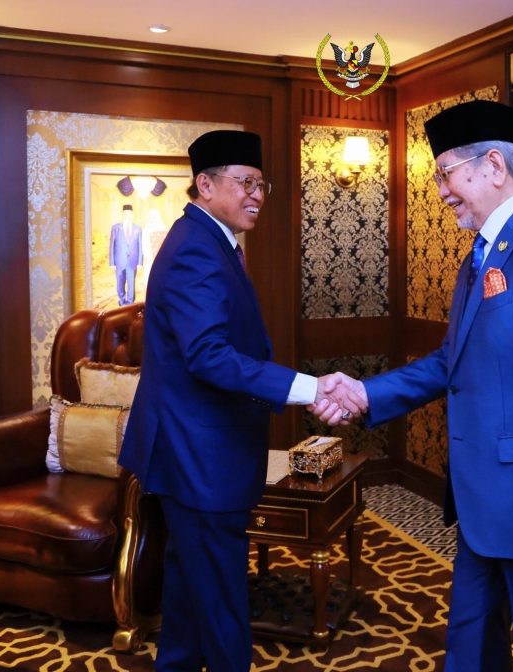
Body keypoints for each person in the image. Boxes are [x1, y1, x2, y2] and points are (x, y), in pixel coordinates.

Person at [314, 100, 513, 671]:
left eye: (445, 174)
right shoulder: (481, 256)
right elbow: (450, 363)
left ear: (493, 166)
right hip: (483, 501)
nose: (441, 191)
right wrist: (364, 394)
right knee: (471, 642)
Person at [119, 129, 361, 672]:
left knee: (189, 594)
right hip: (199, 459)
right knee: (224, 601)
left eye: (261, 185)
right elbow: (208, 355)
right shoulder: (196, 249)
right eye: (245, 182)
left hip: (196, 455)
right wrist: (310, 388)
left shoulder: (208, 239)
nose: (256, 195)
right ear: (205, 185)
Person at [110, 204, 143, 305]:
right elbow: (112, 245)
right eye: (125, 213)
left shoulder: (138, 228)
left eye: (129, 213)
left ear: (132, 214)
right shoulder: (115, 228)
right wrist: (112, 263)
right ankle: (121, 301)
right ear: (123, 214)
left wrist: (140, 262)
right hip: (119, 261)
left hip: (132, 261)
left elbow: (140, 246)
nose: (127, 215)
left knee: (131, 284)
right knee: (120, 284)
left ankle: (130, 303)